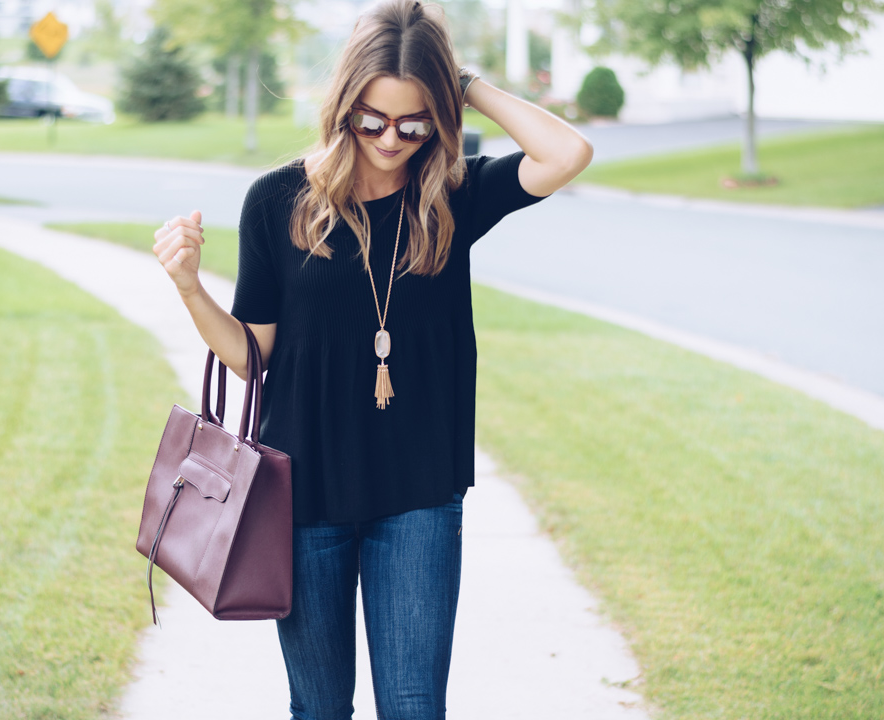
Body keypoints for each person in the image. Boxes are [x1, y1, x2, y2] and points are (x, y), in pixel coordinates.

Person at [151, 1, 592, 717]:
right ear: (345, 106)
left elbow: (566, 155)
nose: (392, 139)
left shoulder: (453, 194)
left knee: (415, 707)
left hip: (418, 491)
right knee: (319, 708)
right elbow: (250, 354)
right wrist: (187, 287)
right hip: (304, 494)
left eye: (415, 122)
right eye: (373, 119)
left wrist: (462, 80)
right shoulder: (276, 199)